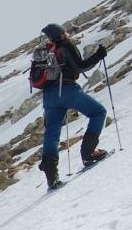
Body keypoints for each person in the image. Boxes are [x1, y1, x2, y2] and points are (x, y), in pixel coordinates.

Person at [32, 23, 109, 189]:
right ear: (61, 33)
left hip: (49, 97)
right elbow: (80, 66)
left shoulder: (45, 52)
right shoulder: (65, 45)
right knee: (98, 112)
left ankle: (51, 175)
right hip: (67, 90)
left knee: (52, 133)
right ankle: (88, 154)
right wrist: (99, 55)